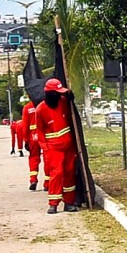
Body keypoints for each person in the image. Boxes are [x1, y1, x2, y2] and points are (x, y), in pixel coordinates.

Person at [33, 78, 79, 213]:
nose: (59, 95)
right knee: (56, 174)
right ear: (50, 94)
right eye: (57, 93)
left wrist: (71, 96)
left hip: (68, 146)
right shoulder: (41, 109)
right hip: (53, 148)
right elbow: (40, 131)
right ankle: (53, 203)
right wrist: (45, 148)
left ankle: (69, 202)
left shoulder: (64, 102)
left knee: (69, 172)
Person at [21, 93, 42, 189]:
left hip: (33, 137)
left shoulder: (27, 108)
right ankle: (47, 182)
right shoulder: (43, 105)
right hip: (44, 136)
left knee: (33, 158)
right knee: (48, 158)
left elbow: (24, 126)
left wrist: (25, 140)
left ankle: (33, 179)